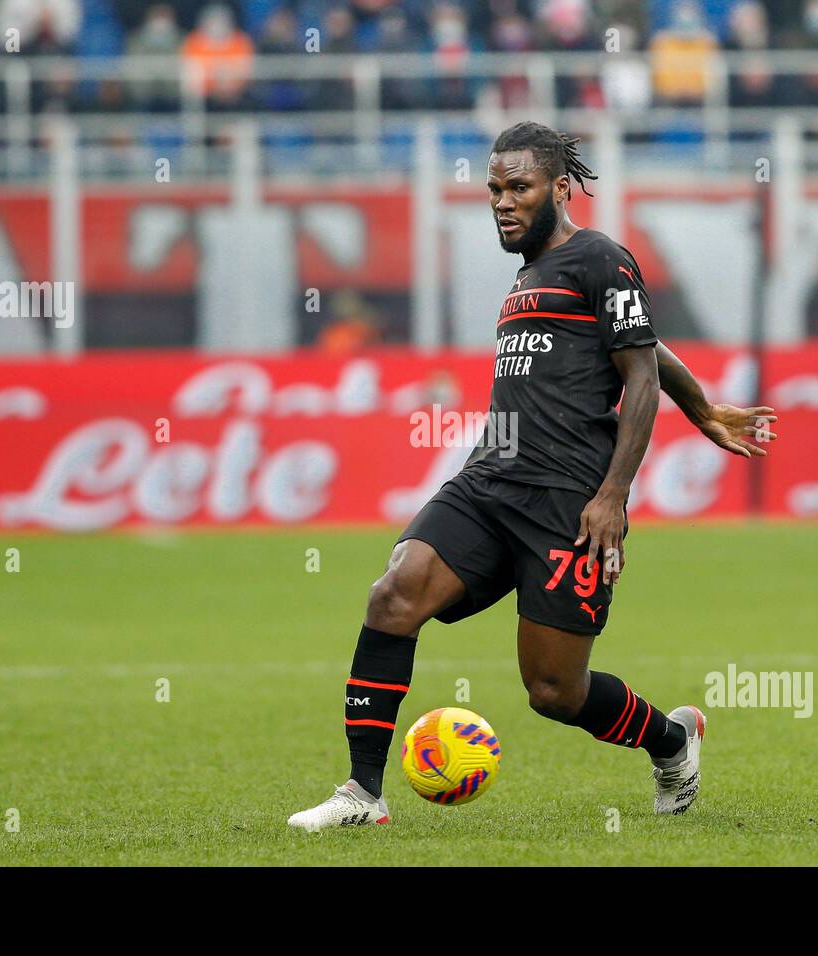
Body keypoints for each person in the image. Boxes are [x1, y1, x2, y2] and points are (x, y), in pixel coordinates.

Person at [287, 121, 779, 831]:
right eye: (493, 188)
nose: (502, 201)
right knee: (393, 594)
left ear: (559, 186)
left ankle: (672, 741)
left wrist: (614, 494)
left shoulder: (600, 256)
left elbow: (638, 368)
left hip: (569, 501)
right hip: (489, 481)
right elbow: (646, 345)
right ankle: (363, 794)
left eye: (518, 187)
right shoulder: (529, 275)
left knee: (552, 690)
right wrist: (702, 407)